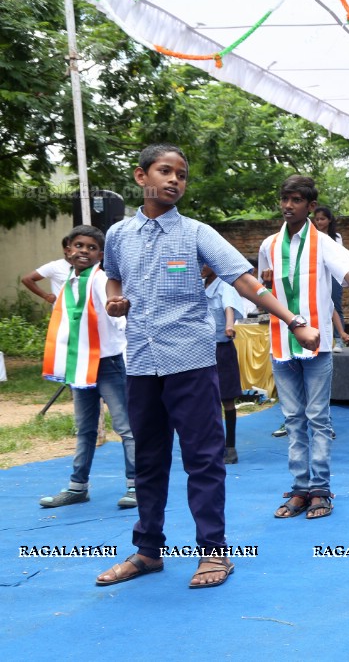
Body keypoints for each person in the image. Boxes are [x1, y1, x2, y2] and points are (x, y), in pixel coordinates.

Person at [95, 144, 319, 590]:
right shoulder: (118, 235)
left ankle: (214, 553)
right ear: (141, 177)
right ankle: (147, 552)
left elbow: (245, 280)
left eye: (182, 174)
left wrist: (293, 321)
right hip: (140, 360)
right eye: (165, 171)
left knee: (203, 460)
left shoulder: (197, 233)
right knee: (149, 461)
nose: (175, 180)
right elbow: (113, 275)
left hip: (191, 362)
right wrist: (115, 300)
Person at [259, 175, 349, 520]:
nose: (288, 205)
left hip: (317, 343)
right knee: (292, 418)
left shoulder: (323, 244)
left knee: (318, 417)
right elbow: (263, 288)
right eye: (285, 199)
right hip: (281, 342)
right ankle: (299, 488)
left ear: (310, 206)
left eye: (296, 200)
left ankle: (320, 488)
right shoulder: (268, 245)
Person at [38, 225, 136, 509]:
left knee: (125, 427)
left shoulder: (100, 279)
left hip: (108, 363)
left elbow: (115, 312)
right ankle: (77, 487)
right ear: (68, 250)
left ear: (100, 255)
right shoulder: (68, 280)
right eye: (78, 246)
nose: (83, 251)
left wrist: (117, 313)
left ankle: (136, 485)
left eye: (91, 248)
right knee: (85, 429)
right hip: (80, 365)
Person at [201, 265, 246, 464]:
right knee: (206, 399)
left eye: (204, 263)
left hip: (222, 348)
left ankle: (230, 446)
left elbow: (229, 307)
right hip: (202, 348)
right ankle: (213, 445)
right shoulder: (201, 285)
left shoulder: (225, 286)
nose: (200, 267)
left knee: (226, 398)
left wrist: (229, 326)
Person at [312, 205, 349, 350]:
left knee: (336, 305)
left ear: (329, 220)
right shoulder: (311, 236)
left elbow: (337, 257)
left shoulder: (336, 238)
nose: (319, 222)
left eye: (322, 219)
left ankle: (339, 340)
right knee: (319, 305)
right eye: (317, 219)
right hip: (317, 275)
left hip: (333, 275)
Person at [21, 236, 72, 305]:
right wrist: (46, 296)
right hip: (61, 313)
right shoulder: (55, 266)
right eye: (76, 246)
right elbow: (27, 279)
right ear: (66, 250)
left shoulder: (87, 267)